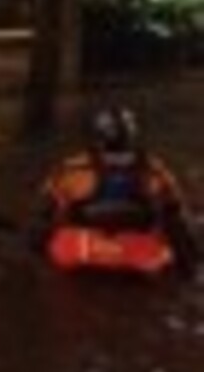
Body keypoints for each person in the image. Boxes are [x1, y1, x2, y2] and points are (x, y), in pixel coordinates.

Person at [34, 106, 198, 273]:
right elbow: (176, 217)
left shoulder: (72, 169)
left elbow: (45, 215)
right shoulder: (154, 169)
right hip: (141, 253)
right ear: (132, 134)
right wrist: (190, 261)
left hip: (81, 251)